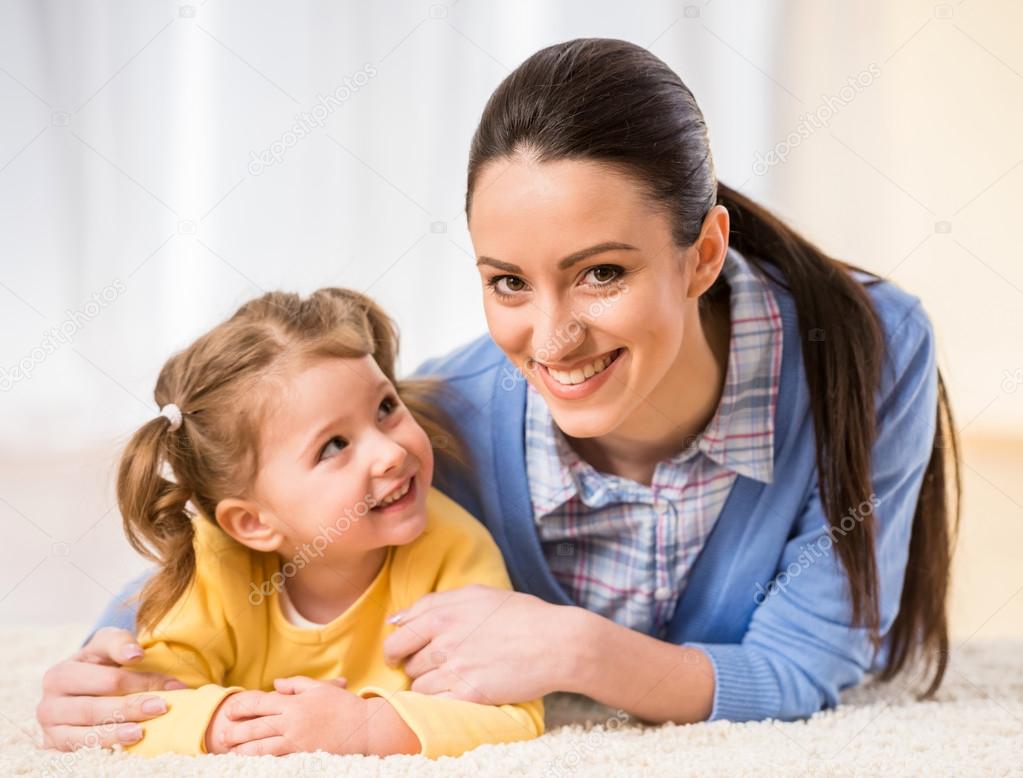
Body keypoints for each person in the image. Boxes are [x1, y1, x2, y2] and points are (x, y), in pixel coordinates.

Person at [37, 38, 959, 751]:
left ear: (703, 254)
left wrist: (576, 649)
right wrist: (114, 652)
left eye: (600, 273)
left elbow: (802, 666)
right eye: (508, 282)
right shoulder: (444, 423)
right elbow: (252, 538)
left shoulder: (869, 349)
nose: (550, 340)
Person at [42, 287, 543, 756]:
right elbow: (135, 705)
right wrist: (224, 722)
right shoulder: (215, 568)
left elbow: (510, 715)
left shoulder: (454, 547)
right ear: (254, 524)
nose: (390, 452)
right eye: (334, 446)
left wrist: (364, 727)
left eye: (386, 407)